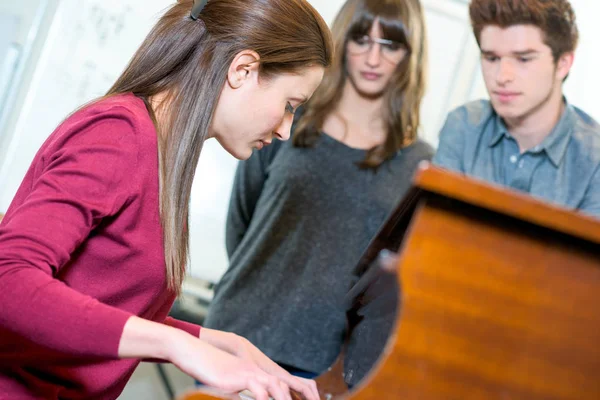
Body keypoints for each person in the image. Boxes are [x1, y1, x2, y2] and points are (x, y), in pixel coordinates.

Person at [0, 0, 332, 398]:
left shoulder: (163, 152)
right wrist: (177, 346)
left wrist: (218, 342)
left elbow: (97, 303)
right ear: (242, 70)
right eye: (289, 106)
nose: (284, 130)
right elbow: (9, 280)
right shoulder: (119, 134)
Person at [203, 0, 432, 388]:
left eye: (390, 44)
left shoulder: (421, 166)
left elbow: (391, 285)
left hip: (327, 370)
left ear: (410, 55)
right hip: (237, 340)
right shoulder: (282, 120)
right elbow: (240, 224)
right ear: (342, 39)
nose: (372, 57)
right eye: (361, 38)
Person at [433, 0, 600, 218]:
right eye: (491, 58)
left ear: (563, 63)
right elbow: (435, 236)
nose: (502, 77)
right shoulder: (463, 126)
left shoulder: (594, 160)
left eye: (523, 59)